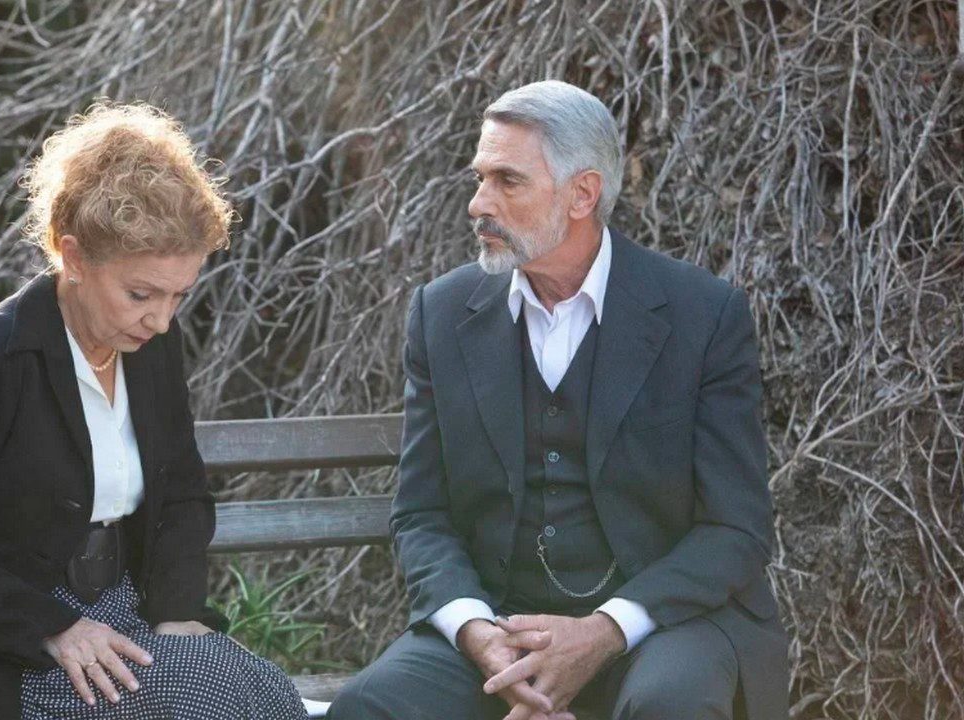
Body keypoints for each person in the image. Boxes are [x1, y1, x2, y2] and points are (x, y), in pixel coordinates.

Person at [330, 81, 789, 720]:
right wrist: (477, 632)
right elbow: (421, 514)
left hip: (660, 624)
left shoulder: (703, 315)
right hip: (501, 626)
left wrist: (605, 630)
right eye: (480, 178)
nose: (478, 203)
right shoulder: (442, 313)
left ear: (583, 194)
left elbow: (735, 528)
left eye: (508, 181)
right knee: (371, 707)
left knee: (670, 705)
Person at [0, 102, 307, 720]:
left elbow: (182, 493)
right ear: (75, 257)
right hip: (4, 645)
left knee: (264, 689)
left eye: (179, 295)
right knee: (208, 692)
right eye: (141, 294)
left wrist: (176, 612)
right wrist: (53, 627)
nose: (161, 320)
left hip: (121, 614)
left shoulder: (151, 347)